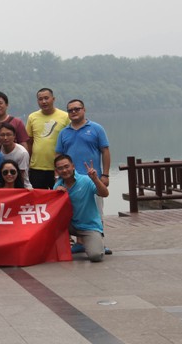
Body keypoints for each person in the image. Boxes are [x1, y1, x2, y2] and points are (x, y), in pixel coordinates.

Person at [55, 99, 112, 255]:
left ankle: (99, 242)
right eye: (70, 110)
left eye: (77, 109)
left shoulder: (96, 128)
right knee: (72, 211)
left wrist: (105, 174)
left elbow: (105, 151)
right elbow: (59, 155)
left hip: (92, 179)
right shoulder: (64, 132)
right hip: (69, 179)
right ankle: (80, 242)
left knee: (96, 211)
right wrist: (57, 177)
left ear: (84, 109)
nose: (73, 112)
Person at [53, 155, 109, 262]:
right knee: (50, 225)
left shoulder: (86, 180)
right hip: (70, 225)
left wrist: (95, 179)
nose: (64, 170)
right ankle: (69, 244)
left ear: (73, 166)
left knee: (96, 256)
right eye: (60, 168)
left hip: (89, 225)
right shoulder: (57, 186)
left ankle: (93, 242)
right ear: (56, 171)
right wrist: (56, 195)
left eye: (67, 166)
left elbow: (105, 193)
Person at [25, 88, 70, 189]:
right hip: (36, 167)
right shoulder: (32, 117)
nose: (44, 101)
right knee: (38, 197)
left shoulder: (65, 117)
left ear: (53, 99)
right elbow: (29, 142)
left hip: (59, 167)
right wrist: (28, 164)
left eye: (46, 98)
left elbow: (69, 142)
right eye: (40, 99)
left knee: (59, 195)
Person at [0, 123, 32, 189]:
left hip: (22, 187)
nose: (5, 138)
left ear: (14, 136)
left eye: (8, 135)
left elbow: (22, 176)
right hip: (4, 187)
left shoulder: (22, 153)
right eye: (2, 135)